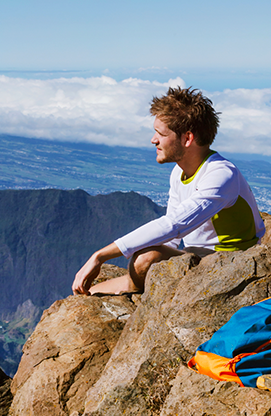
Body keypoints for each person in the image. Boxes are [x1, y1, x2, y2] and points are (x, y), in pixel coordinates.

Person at [73, 87, 265, 295]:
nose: (153, 140)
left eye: (161, 134)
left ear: (187, 138)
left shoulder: (221, 175)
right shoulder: (179, 172)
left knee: (145, 258)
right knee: (143, 256)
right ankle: (104, 292)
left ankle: (127, 289)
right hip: (198, 258)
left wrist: (100, 256)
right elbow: (170, 234)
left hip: (230, 264)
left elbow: (173, 225)